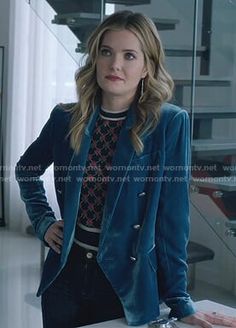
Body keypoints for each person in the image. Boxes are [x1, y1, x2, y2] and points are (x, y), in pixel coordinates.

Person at [15, 10, 236, 328]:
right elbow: (25, 170)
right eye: (107, 52)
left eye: (129, 55)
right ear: (95, 59)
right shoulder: (65, 118)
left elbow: (173, 220)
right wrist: (43, 222)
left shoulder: (168, 123)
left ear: (147, 66)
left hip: (125, 286)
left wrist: (179, 301)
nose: (115, 64)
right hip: (65, 278)